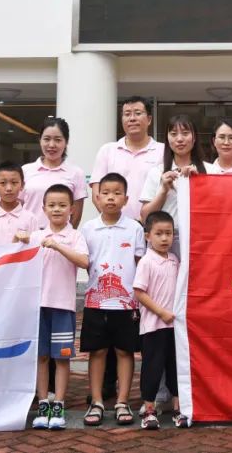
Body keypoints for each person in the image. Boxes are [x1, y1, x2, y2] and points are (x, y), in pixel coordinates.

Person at [78, 172, 145, 427]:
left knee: (125, 351)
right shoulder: (88, 228)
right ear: (97, 196)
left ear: (126, 198)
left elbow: (139, 263)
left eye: (117, 193)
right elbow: (86, 262)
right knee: (97, 352)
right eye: (106, 192)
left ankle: (122, 401)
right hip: (96, 302)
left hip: (127, 303)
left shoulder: (134, 228)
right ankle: (96, 401)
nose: (111, 198)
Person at [29, 184, 90, 430]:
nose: (57, 209)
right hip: (37, 306)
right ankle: (43, 402)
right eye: (52, 205)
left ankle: (59, 404)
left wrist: (57, 245)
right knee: (41, 356)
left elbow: (84, 261)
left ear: (72, 210)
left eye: (62, 205)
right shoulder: (35, 236)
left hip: (63, 307)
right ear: (43, 208)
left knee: (62, 358)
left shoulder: (75, 236)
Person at [133, 210, 188, 430]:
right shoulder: (146, 262)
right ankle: (149, 410)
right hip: (154, 326)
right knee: (152, 368)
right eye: (159, 234)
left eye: (168, 234)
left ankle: (178, 408)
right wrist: (161, 312)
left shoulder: (174, 259)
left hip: (175, 327)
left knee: (175, 367)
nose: (165, 238)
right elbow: (140, 292)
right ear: (148, 236)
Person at [91, 96, 164, 221]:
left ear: (149, 119)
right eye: (127, 114)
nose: (132, 118)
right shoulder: (107, 151)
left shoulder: (163, 151)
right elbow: (96, 194)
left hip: (152, 229)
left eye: (138, 113)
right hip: (115, 227)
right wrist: (116, 222)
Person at [139, 114, 209, 225]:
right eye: (173, 134)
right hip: (166, 239)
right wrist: (163, 190)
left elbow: (222, 210)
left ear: (194, 137)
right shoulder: (156, 172)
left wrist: (199, 183)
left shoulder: (211, 171)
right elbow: (145, 217)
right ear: (167, 138)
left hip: (200, 238)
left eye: (185, 133)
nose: (179, 139)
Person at [21, 117, 87, 229]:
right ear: (40, 140)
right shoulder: (25, 170)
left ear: (66, 142)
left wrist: (65, 236)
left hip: (60, 240)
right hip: (29, 238)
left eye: (58, 140)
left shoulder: (76, 173)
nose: (51, 145)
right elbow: (18, 206)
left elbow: (76, 214)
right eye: (46, 139)